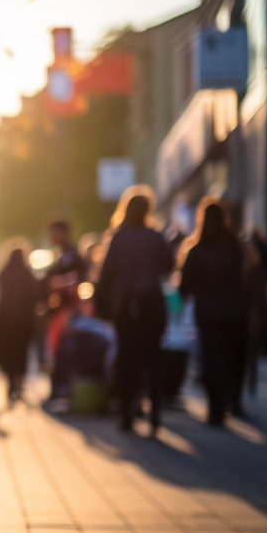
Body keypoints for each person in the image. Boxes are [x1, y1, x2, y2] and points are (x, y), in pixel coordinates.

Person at [94, 185, 174, 435]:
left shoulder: (118, 238)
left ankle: (127, 412)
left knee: (127, 358)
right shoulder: (155, 236)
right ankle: (155, 413)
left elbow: (106, 274)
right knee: (153, 357)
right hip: (152, 302)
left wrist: (102, 304)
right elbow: (168, 266)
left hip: (126, 306)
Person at [178, 198, 248, 425]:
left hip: (207, 312)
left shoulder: (196, 250)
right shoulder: (235, 246)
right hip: (236, 310)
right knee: (233, 357)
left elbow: (185, 285)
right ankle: (233, 400)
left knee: (211, 359)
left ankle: (215, 407)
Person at [0, 244, 39, 405]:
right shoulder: (28, 273)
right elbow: (37, 295)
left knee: (8, 354)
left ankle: (11, 381)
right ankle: (18, 381)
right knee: (21, 353)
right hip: (24, 321)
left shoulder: (4, 273)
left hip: (6, 321)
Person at [43, 217, 89, 396]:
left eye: (55, 232)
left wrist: (60, 284)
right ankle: (59, 389)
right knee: (55, 351)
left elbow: (80, 281)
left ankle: (64, 390)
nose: (51, 236)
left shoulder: (72, 255)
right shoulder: (59, 254)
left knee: (64, 350)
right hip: (58, 311)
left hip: (68, 311)